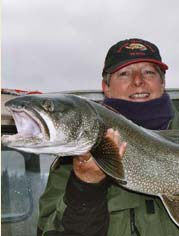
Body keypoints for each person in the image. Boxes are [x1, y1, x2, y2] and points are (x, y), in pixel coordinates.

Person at [37, 38, 179, 236]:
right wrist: (85, 187)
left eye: (149, 72)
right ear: (106, 87)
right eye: (124, 74)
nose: (138, 80)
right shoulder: (73, 161)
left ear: (162, 83)